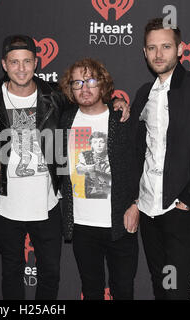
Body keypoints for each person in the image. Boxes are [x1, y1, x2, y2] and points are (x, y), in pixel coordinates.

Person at [0, 35, 130, 300]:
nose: (21, 68)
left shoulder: (54, 95)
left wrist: (115, 103)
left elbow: (88, 101)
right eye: (14, 62)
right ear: (4, 65)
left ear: (36, 63)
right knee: (11, 273)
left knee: (50, 274)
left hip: (49, 203)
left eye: (27, 61)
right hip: (6, 204)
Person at [131, 18, 190, 300]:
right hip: (148, 209)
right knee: (160, 287)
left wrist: (187, 199)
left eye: (166, 46)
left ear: (180, 49)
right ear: (144, 52)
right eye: (152, 48)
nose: (158, 54)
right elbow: (136, 146)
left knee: (177, 290)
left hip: (179, 209)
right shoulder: (143, 94)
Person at [58, 58, 139, 300]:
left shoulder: (120, 120)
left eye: (91, 80)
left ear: (102, 84)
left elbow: (141, 164)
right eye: (77, 82)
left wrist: (136, 204)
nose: (84, 88)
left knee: (123, 291)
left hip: (120, 223)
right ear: (70, 89)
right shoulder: (65, 120)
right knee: (91, 290)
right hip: (82, 225)